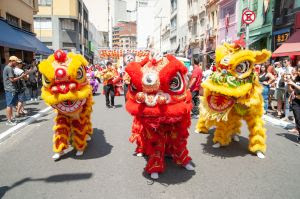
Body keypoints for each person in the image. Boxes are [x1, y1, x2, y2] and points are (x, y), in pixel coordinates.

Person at [2, 56, 27, 125]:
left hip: (9, 88)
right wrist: (21, 76)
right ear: (12, 61)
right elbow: (12, 80)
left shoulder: (8, 67)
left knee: (11, 105)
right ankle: (9, 121)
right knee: (9, 105)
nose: (16, 63)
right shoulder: (9, 68)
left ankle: (11, 118)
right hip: (10, 89)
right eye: (15, 62)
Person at [287, 65, 300, 141]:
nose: (298, 72)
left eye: (299, 71)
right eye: (298, 71)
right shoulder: (297, 79)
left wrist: (293, 83)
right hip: (296, 101)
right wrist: (289, 84)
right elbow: (291, 90)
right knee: (298, 118)